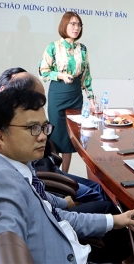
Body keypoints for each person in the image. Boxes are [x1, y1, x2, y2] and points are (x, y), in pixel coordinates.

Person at [0, 88, 134, 263]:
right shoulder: (1, 181)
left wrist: (114, 220)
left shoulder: (17, 165)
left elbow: (52, 216)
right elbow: (7, 249)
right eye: (32, 128)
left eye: (44, 127)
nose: (43, 137)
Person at [0, 67, 109, 203]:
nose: (42, 136)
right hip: (46, 175)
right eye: (36, 99)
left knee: (99, 189)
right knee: (101, 199)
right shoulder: (1, 176)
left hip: (48, 171)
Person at [39, 11, 94, 173]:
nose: (76, 28)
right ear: (64, 25)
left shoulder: (82, 49)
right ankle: (54, 172)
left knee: (70, 136)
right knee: (57, 135)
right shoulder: (53, 47)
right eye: (72, 24)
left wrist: (91, 97)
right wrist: (61, 75)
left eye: (79, 25)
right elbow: (43, 72)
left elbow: (86, 75)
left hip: (75, 95)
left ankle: (65, 174)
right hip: (58, 93)